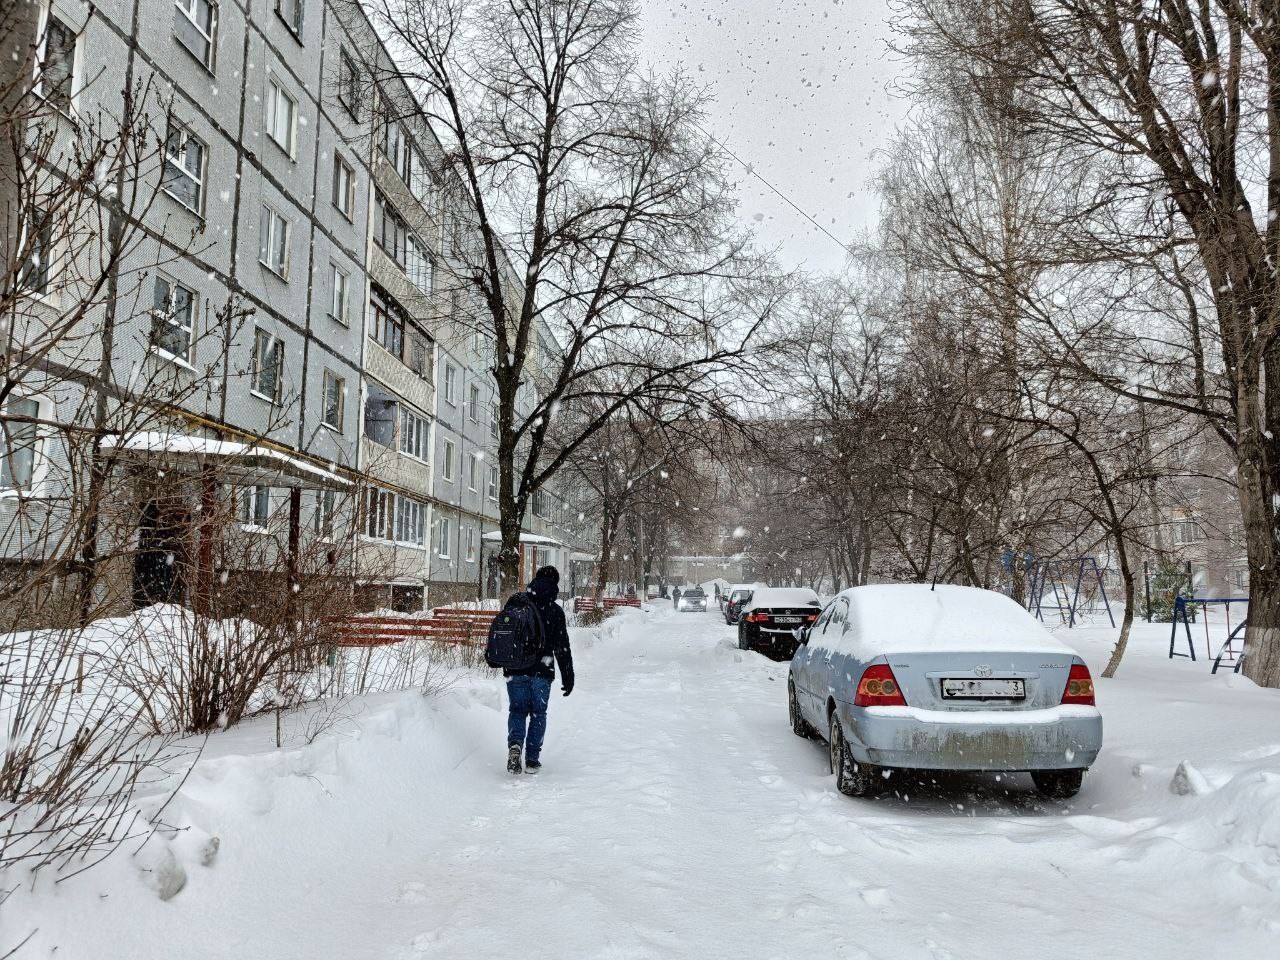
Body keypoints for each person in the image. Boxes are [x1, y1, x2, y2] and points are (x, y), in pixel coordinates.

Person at [504, 565, 574, 774]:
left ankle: (515, 745)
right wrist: (568, 676)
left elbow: (505, 633)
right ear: (555, 584)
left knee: (517, 710)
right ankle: (532, 760)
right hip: (542, 670)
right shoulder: (555, 611)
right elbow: (562, 647)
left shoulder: (518, 603)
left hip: (516, 669)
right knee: (538, 713)